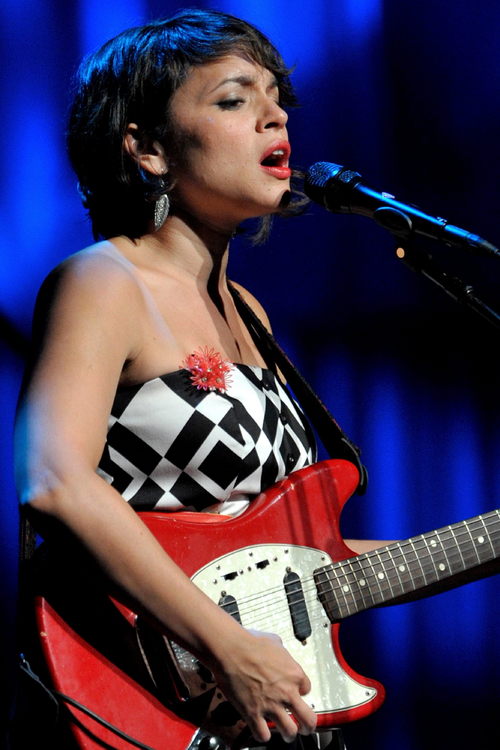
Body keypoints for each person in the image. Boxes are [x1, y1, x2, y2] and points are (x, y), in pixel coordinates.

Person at [13, 9, 384, 749]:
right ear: (148, 148)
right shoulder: (103, 282)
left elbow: (277, 547)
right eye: (235, 99)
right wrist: (227, 646)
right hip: (156, 700)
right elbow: (53, 480)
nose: (275, 116)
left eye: (276, 97)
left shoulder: (249, 312)